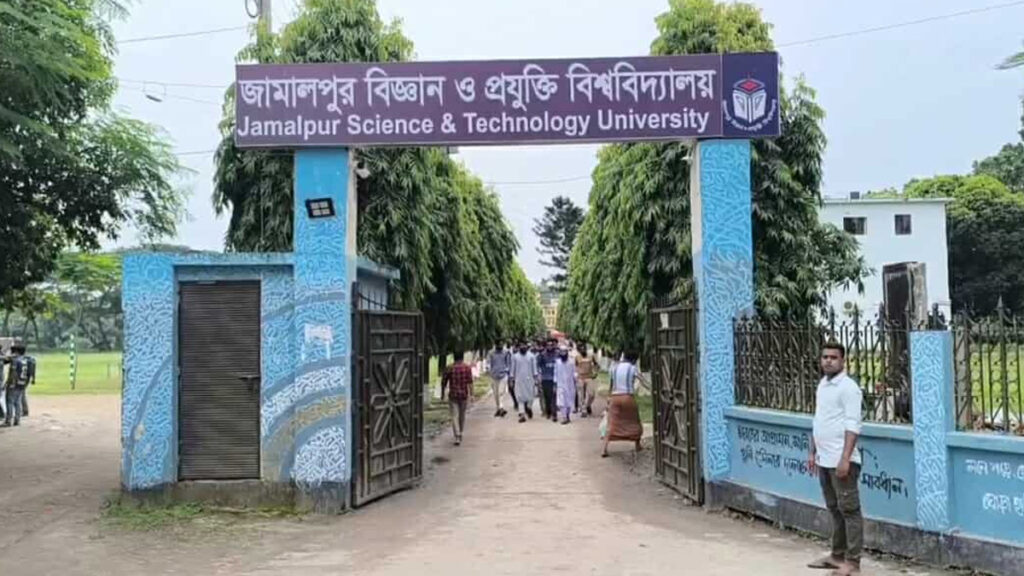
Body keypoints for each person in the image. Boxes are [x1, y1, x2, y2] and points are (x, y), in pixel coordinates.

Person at [807, 342, 863, 576]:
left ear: (843, 361)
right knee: (834, 508)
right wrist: (813, 452)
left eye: (833, 357)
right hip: (824, 459)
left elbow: (853, 425)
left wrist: (845, 459)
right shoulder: (823, 384)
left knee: (850, 511)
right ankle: (836, 555)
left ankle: (853, 563)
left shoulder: (849, 388)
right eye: (825, 357)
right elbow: (819, 420)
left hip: (842, 461)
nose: (828, 361)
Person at [602, 351, 645, 457]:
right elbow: (642, 381)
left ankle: (604, 448)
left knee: (611, 422)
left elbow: (611, 385)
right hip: (628, 397)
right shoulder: (633, 368)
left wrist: (609, 398)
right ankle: (637, 445)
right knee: (634, 421)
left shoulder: (614, 368)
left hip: (615, 398)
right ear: (634, 360)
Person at [440, 351, 473, 446]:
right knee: (462, 415)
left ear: (454, 357)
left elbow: (443, 382)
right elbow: (470, 382)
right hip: (464, 395)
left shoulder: (449, 368)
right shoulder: (467, 368)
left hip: (453, 395)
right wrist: (472, 394)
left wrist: (442, 394)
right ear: (462, 357)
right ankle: (460, 432)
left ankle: (457, 435)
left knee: (454, 416)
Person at [3, 343, 36, 427]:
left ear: (16, 352)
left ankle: (8, 420)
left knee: (9, 401)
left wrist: (9, 383)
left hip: (14, 383)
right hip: (22, 383)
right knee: (17, 402)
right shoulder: (26, 360)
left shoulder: (15, 360)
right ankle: (17, 420)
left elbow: (13, 373)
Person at [510, 343, 538, 423]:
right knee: (519, 397)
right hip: (519, 380)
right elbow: (512, 369)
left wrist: (536, 379)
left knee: (531, 396)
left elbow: (534, 369)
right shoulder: (515, 357)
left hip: (530, 380)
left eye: (524, 346)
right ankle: (522, 414)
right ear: (519, 347)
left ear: (526, 347)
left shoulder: (531, 356)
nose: (523, 347)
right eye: (521, 346)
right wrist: (511, 379)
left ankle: (529, 407)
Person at [536, 339, 559, 422]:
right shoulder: (542, 355)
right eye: (548, 345)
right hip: (545, 378)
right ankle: (548, 411)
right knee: (547, 397)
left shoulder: (557, 354)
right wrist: (539, 375)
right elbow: (538, 366)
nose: (550, 347)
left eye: (551, 345)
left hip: (554, 378)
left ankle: (554, 414)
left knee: (554, 395)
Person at [487, 343, 512, 418]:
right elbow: (488, 363)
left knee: (501, 392)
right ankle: (498, 409)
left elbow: (508, 363)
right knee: (495, 394)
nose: (500, 346)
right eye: (498, 345)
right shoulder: (491, 353)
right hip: (494, 376)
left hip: (503, 375)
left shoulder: (506, 353)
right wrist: (489, 369)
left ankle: (501, 407)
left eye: (501, 344)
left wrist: (507, 371)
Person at [554, 347, 577, 424]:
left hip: (570, 384)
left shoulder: (571, 362)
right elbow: (555, 373)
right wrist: (555, 383)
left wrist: (575, 380)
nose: (563, 354)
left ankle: (567, 415)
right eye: (562, 352)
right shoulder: (557, 362)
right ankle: (564, 417)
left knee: (569, 401)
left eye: (564, 352)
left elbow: (574, 372)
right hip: (560, 384)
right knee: (561, 402)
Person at [575, 344, 598, 417]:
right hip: (581, 377)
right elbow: (575, 366)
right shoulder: (577, 357)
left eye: (584, 349)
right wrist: (576, 374)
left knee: (592, 394)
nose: (583, 350)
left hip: (589, 377)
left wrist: (595, 373)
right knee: (581, 395)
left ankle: (588, 405)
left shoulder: (591, 356)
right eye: (581, 349)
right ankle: (583, 410)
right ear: (579, 351)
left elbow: (596, 365)